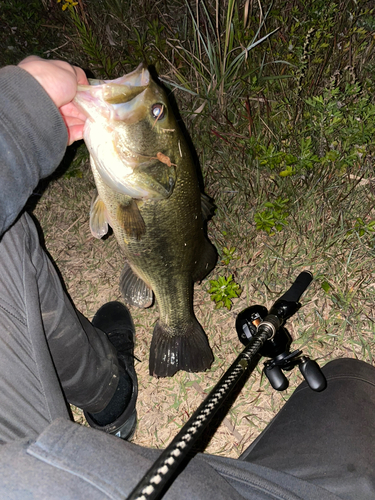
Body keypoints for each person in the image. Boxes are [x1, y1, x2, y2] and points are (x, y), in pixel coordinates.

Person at [0, 55, 374, 500]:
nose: (149, 98)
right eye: (157, 111)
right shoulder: (139, 173)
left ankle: (112, 386)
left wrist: (19, 112)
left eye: (156, 111)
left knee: (10, 235)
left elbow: (113, 220)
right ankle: (110, 384)